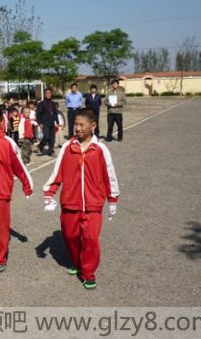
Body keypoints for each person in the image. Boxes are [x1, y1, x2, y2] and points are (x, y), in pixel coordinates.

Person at [43, 108, 119, 290]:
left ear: (93, 126)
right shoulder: (68, 148)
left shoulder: (100, 149)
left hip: (93, 205)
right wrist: (49, 193)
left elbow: (110, 175)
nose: (77, 128)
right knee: (70, 236)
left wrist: (112, 198)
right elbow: (57, 173)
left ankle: (88, 272)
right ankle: (76, 262)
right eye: (75, 124)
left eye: (81, 124)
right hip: (70, 203)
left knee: (91, 239)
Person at [0, 106, 33, 273]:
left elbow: (19, 166)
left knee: (0, 227)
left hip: (2, 192)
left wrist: (27, 184)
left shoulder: (8, 143)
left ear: (1, 122)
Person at [36, 88, 59, 156]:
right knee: (46, 137)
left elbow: (55, 113)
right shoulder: (41, 104)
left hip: (52, 122)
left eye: (49, 93)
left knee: (52, 138)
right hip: (45, 123)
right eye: (47, 93)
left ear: (51, 94)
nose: (48, 95)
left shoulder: (53, 103)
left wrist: (57, 121)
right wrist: (39, 123)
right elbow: (38, 114)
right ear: (44, 94)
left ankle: (50, 151)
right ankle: (40, 147)